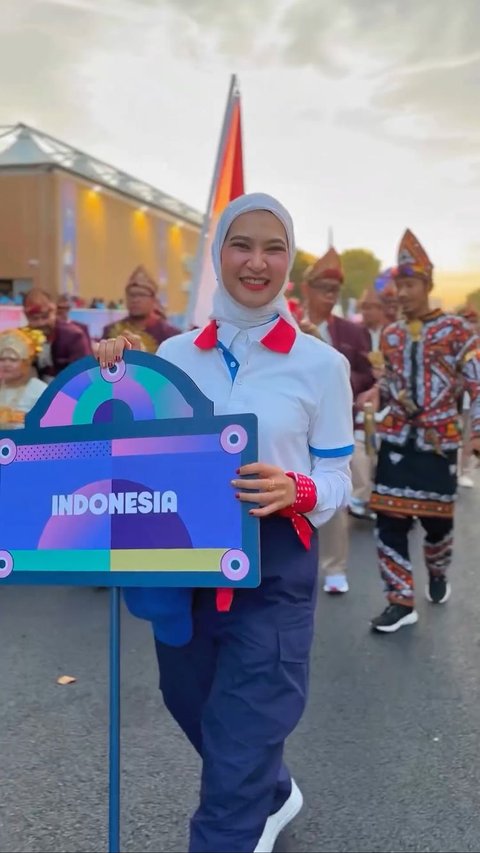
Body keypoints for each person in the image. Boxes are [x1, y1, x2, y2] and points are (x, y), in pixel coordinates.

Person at [97, 193, 354, 853]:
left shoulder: (322, 365)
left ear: (288, 261)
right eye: (242, 244)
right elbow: (120, 449)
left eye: (274, 247)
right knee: (199, 709)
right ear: (219, 256)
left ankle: (242, 812)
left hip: (274, 566)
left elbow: (337, 480)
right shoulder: (173, 356)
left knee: (238, 748)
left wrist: (296, 488)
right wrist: (109, 379)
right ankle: (271, 792)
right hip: (182, 566)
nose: (257, 261)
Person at [370, 229, 480, 633]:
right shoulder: (391, 334)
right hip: (397, 441)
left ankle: (437, 569)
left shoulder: (456, 332)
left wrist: (478, 434)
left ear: (428, 286)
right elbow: (389, 382)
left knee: (438, 525)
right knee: (389, 521)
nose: (401, 292)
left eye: (409, 284)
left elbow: (477, 383)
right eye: (398, 284)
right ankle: (400, 600)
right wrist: (375, 399)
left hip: (438, 443)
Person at [300, 247, 374, 592]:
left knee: (332, 491)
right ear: (307, 289)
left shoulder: (351, 331)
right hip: (294, 422)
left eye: (334, 291)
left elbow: (368, 375)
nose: (329, 297)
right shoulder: (284, 322)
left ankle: (334, 568)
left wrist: (344, 383)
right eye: (323, 289)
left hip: (336, 422)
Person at [102, 265, 180, 352]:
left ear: (153, 300)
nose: (135, 300)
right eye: (131, 295)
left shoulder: (169, 334)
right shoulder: (111, 330)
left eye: (141, 295)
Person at [23, 289, 92, 382]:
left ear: (54, 312)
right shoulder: (24, 337)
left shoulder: (74, 336)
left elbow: (83, 374)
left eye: (45, 317)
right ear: (27, 317)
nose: (41, 323)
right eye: (35, 319)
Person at [0, 328, 48, 427]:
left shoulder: (40, 391)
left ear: (27, 362)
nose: (6, 364)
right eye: (2, 359)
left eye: (13, 359)